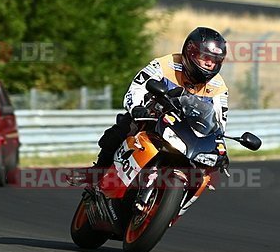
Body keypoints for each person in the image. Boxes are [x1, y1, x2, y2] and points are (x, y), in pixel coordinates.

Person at [92, 26, 230, 174]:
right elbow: (137, 87)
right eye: (205, 57)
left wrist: (219, 145)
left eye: (215, 60)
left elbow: (219, 121)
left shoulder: (219, 86)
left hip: (187, 133)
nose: (210, 63)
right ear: (191, 52)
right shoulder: (164, 65)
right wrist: (137, 108)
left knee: (207, 167)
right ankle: (95, 174)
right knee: (121, 130)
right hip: (153, 118)